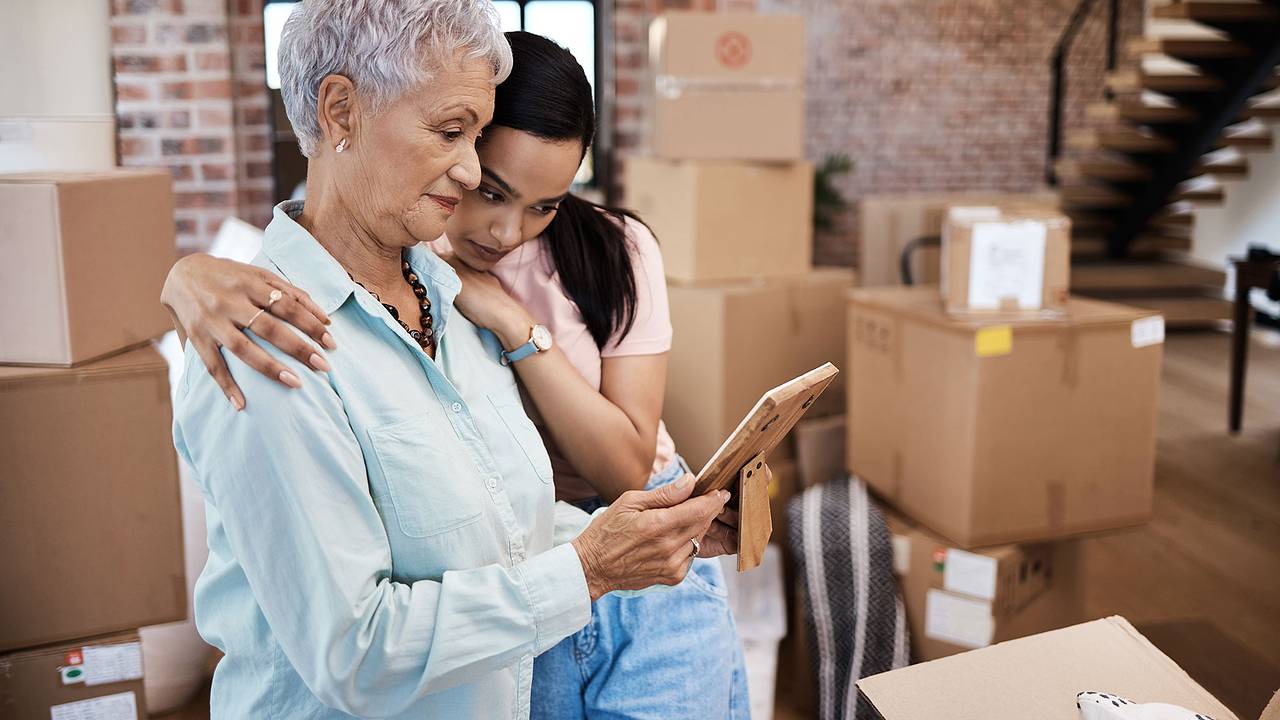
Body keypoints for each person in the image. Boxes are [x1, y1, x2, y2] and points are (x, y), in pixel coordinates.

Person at [167, 3, 735, 718]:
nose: (470, 171)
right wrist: (590, 567)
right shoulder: (266, 342)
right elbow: (357, 655)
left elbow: (498, 527)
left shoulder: (445, 299)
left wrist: (643, 531)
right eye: (451, 131)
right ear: (340, 112)